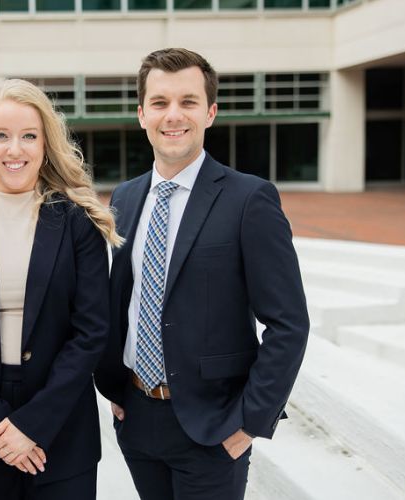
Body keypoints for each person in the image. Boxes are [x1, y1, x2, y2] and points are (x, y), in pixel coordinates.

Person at [94, 48, 310, 500]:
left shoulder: (250, 199)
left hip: (214, 427)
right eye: (160, 103)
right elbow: (123, 300)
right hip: (136, 415)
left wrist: (250, 421)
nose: (173, 115)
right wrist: (114, 383)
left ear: (210, 112)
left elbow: (289, 323)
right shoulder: (127, 198)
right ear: (141, 115)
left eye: (188, 102)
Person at [0, 79, 119, 500]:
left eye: (28, 136)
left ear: (45, 145)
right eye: (1, 136)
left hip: (61, 421)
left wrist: (32, 425)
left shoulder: (78, 224)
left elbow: (90, 333)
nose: (14, 149)